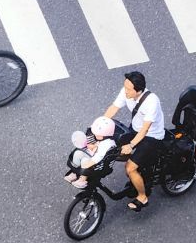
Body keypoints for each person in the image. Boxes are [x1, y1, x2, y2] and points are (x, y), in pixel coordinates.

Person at [102, 71, 165, 212]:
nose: (125, 91)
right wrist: (100, 125)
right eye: (125, 87)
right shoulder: (127, 91)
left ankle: (142, 197)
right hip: (135, 129)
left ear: (139, 90)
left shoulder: (151, 101)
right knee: (112, 149)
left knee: (130, 167)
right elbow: (114, 108)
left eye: (128, 89)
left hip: (152, 136)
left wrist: (131, 145)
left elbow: (145, 130)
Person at [64, 117, 119, 189]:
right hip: (92, 154)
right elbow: (96, 146)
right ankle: (74, 173)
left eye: (97, 135)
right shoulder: (102, 140)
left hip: (99, 163)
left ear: (104, 135)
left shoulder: (107, 144)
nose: (95, 135)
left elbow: (98, 157)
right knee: (78, 153)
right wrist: (91, 146)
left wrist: (87, 164)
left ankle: (82, 180)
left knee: (84, 161)